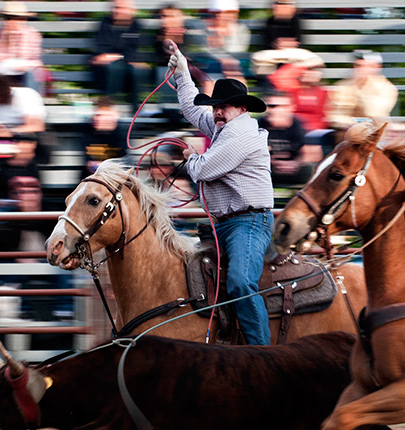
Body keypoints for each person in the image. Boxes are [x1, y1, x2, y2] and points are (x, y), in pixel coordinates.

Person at [168, 41, 274, 346]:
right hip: (226, 224)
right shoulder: (223, 127)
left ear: (241, 109)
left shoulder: (242, 135)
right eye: (215, 107)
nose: (215, 112)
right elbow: (191, 108)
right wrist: (183, 72)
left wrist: (190, 155)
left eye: (222, 107)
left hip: (248, 222)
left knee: (240, 281)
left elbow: (201, 170)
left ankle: (261, 352)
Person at [92, 0, 149, 113]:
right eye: (115, 7)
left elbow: (133, 53)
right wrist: (122, 57)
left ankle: (135, 111)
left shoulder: (136, 26)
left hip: (128, 71)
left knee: (135, 71)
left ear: (132, 11)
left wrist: (116, 56)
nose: (116, 11)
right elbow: (101, 53)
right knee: (115, 68)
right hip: (106, 71)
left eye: (121, 8)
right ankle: (108, 109)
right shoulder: (105, 24)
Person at [327, 50, 398, 131]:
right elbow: (338, 114)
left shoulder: (386, 88)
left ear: (377, 68)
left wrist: (364, 87)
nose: (362, 69)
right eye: (358, 66)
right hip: (348, 132)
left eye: (368, 66)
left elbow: (373, 113)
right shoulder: (344, 86)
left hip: (376, 131)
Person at [258, 90, 313, 186]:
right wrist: (275, 163)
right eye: (269, 106)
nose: (272, 110)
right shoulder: (258, 125)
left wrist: (295, 163)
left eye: (277, 106)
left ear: (291, 108)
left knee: (311, 169)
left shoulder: (298, 124)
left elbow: (311, 153)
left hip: (295, 168)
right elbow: (254, 154)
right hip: (268, 168)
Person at [0, 2, 45, 93]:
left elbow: (36, 60)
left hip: (25, 70)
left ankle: (30, 101)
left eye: (16, 18)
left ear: (24, 20)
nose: (11, 22)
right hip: (3, 70)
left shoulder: (32, 34)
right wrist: (7, 39)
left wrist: (23, 65)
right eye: (7, 18)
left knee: (34, 73)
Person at [81, 96, 129, 176]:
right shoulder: (88, 130)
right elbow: (89, 163)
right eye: (96, 115)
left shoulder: (122, 131)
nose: (96, 119)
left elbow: (122, 162)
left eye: (101, 115)